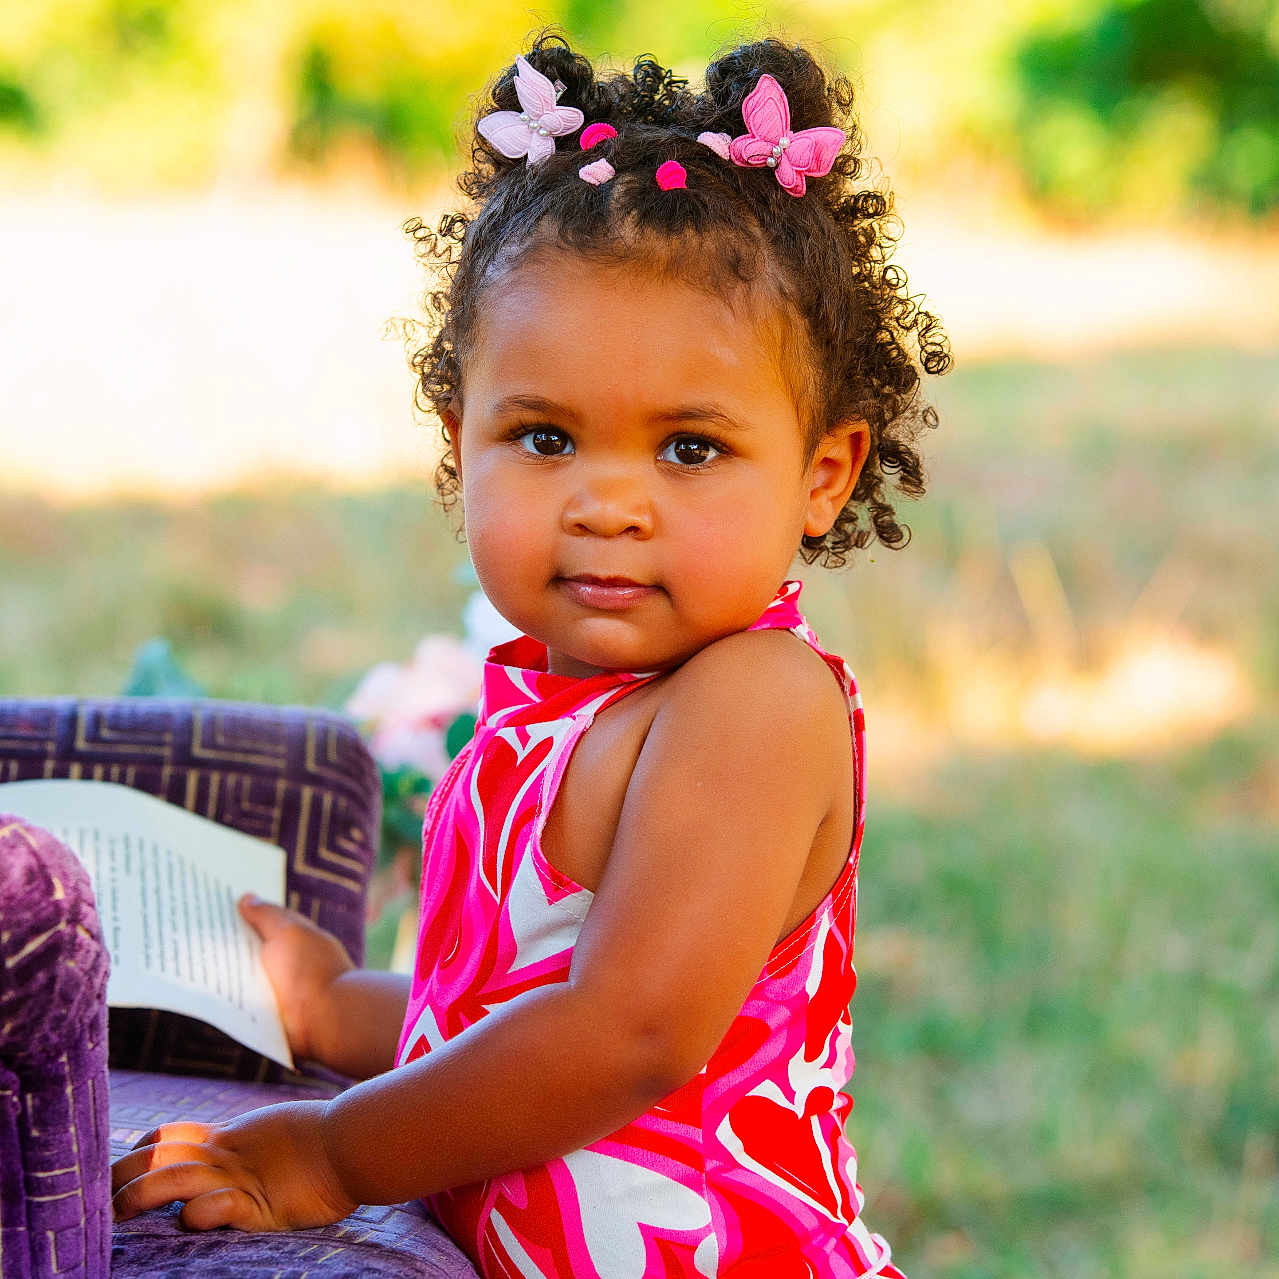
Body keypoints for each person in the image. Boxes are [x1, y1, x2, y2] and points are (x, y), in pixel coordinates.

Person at [110, 29, 950, 1277]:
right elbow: (512, 1021)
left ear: (821, 475)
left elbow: (626, 1030)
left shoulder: (753, 706)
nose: (606, 503)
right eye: (546, 438)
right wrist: (338, 1006)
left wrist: (329, 1156)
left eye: (689, 449)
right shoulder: (544, 706)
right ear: (462, 443)